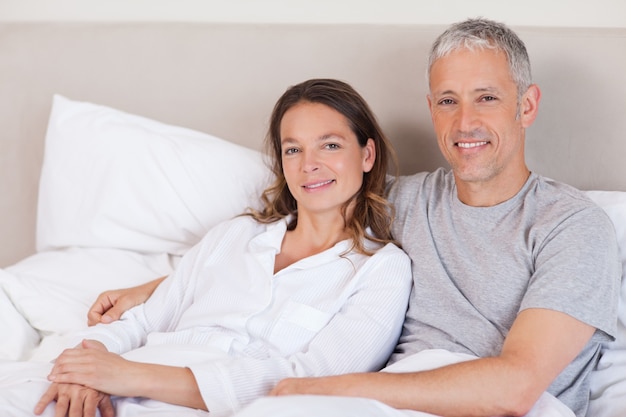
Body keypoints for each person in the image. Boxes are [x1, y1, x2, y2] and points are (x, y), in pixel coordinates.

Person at [90, 18, 622, 417]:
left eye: (487, 98)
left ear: (526, 106)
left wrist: (321, 388)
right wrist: (157, 288)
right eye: (447, 101)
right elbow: (304, 232)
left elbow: (515, 386)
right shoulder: (406, 200)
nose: (466, 122)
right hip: (384, 401)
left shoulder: (572, 228)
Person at [0, 79, 413, 417]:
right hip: (111, 383)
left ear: (367, 154)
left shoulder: (381, 269)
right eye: (293, 149)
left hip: (205, 403)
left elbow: (311, 380)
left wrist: (128, 376)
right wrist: (82, 370)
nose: (309, 164)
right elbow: (141, 322)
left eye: (330, 145)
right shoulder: (236, 235)